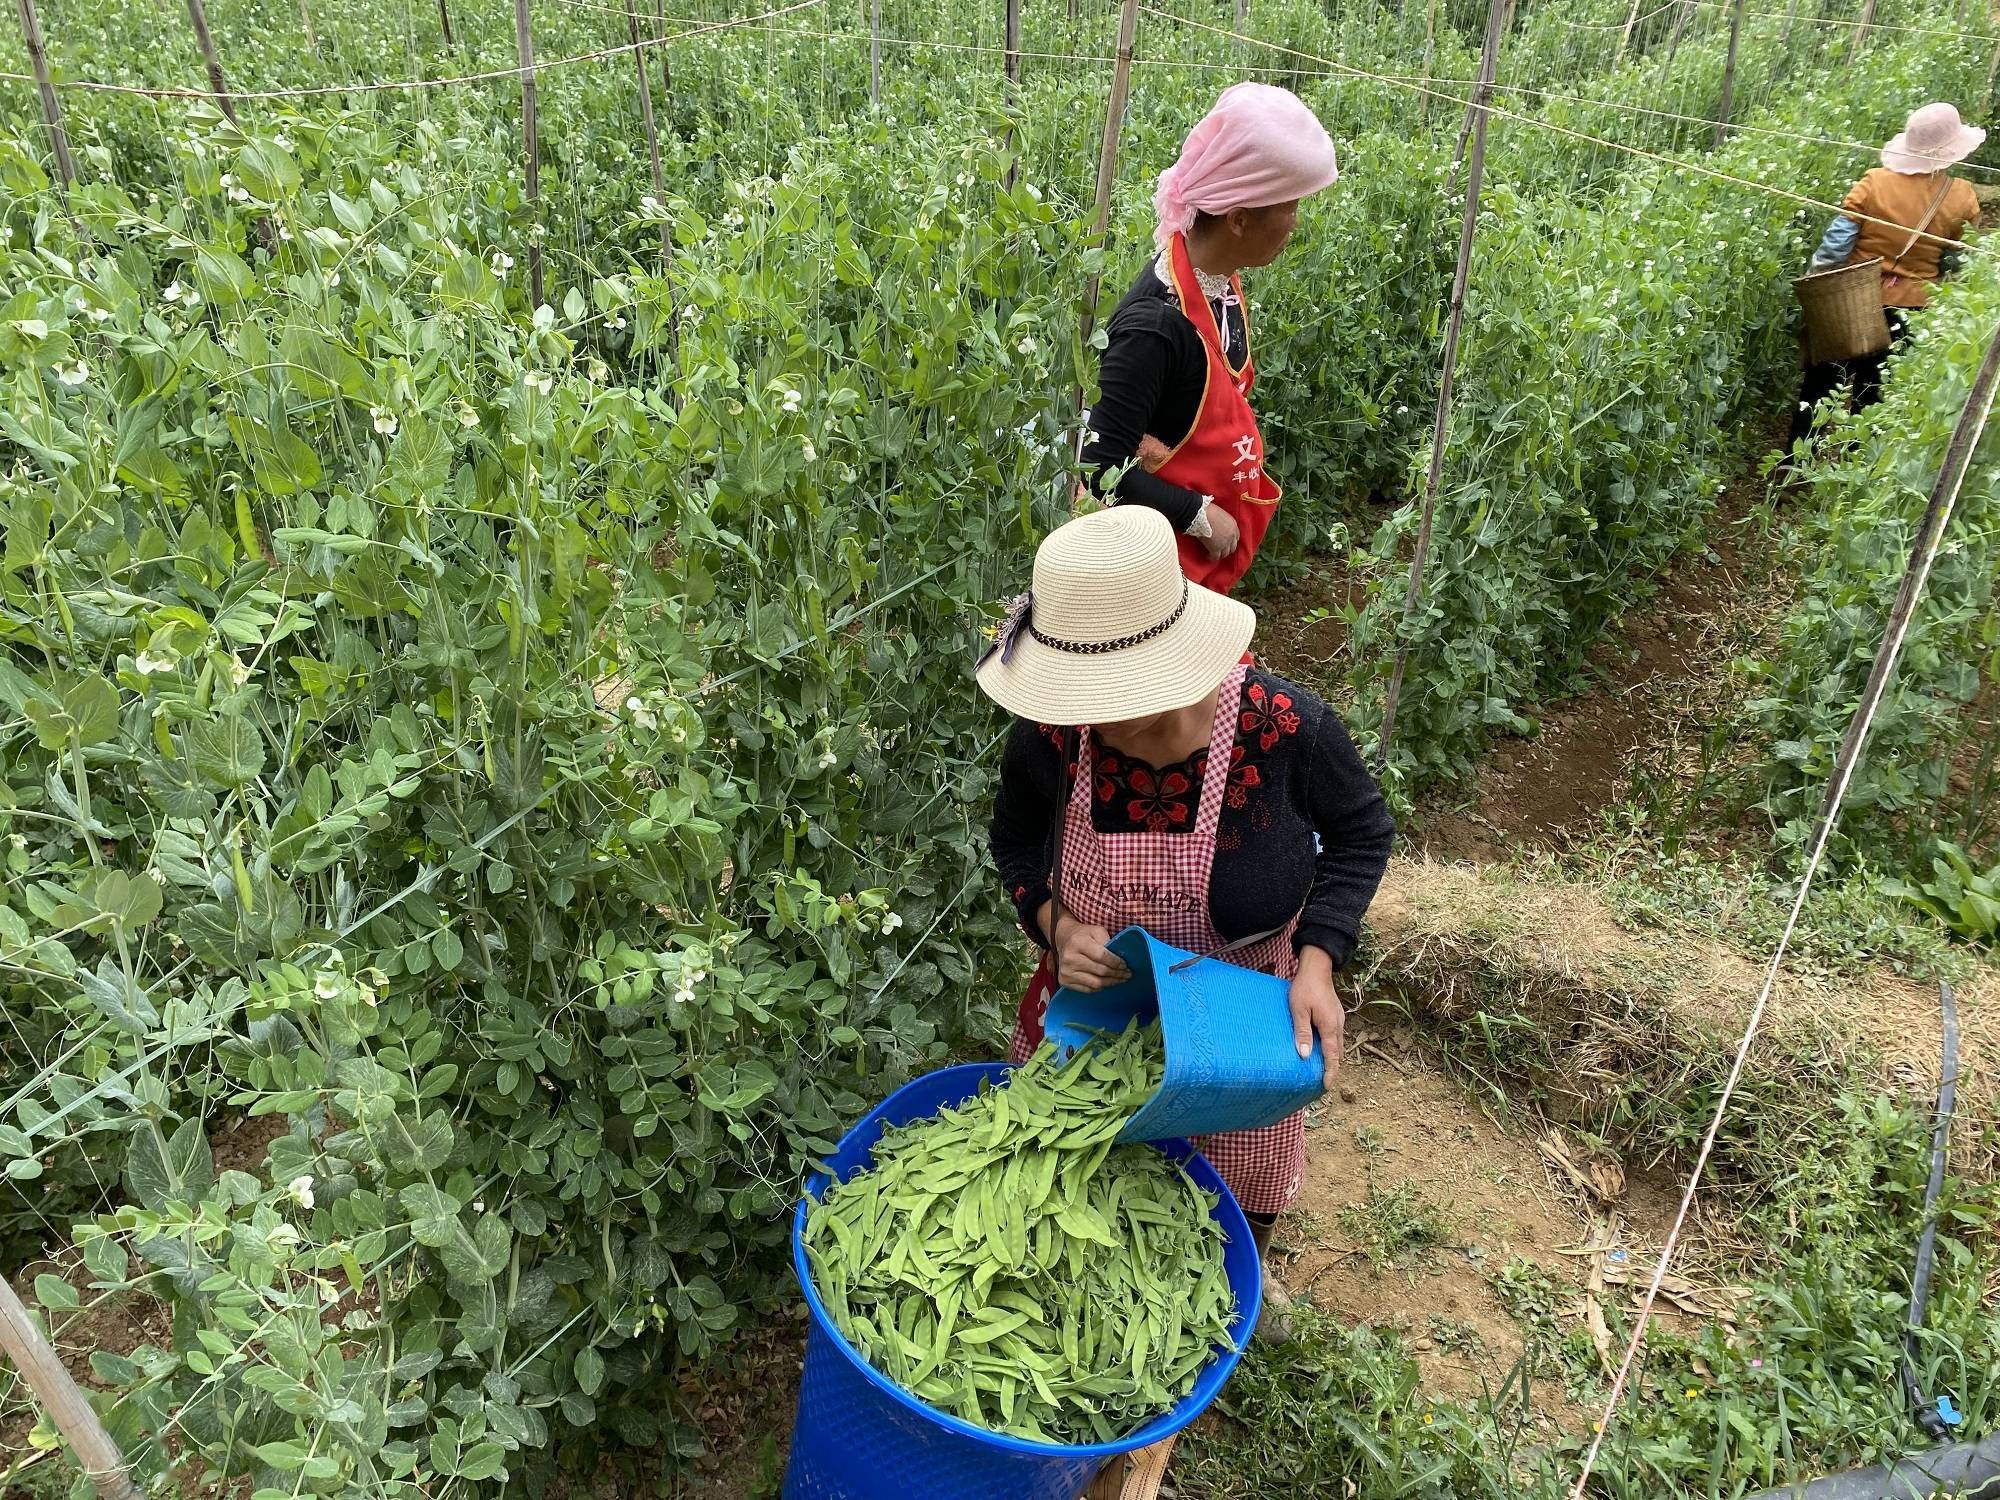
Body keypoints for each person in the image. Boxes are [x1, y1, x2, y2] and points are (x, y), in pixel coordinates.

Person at [978, 506, 1395, 1346]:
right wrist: (1055, 924)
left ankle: (1237, 1281)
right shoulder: (1055, 737)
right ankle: (1089, 1292)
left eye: (1107, 699)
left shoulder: (1285, 733)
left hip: (1236, 1019)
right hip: (1095, 1016)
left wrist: (1317, 963)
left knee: (1238, 1177)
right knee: (1077, 1179)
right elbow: (1015, 841)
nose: (1084, 719)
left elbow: (1363, 834)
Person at [1079, 83, 1339, 595]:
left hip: (1192, 564)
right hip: (1152, 568)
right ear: (1240, 219)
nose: (1295, 223)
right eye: (1288, 206)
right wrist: (1196, 513)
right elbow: (1098, 465)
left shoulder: (1218, 284)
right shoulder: (1152, 329)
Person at [1790, 102, 1985, 448]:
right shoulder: (1962, 197)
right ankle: (1853, 472)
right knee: (1875, 394)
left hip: (1851, 299)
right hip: (1912, 306)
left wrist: (1816, 286)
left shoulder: (1874, 182)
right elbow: (1955, 263)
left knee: (1821, 385)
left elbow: (1836, 245)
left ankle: (1794, 465)